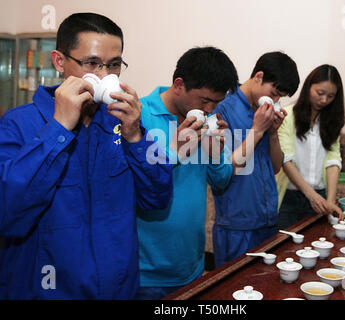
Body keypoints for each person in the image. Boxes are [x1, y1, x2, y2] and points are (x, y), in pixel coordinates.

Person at [0, 12, 173, 299]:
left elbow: (158, 197)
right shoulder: (18, 124)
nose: (105, 76)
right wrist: (58, 128)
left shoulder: (123, 124)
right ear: (59, 61)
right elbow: (8, 213)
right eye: (92, 63)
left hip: (117, 289)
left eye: (114, 65)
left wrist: (135, 137)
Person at [135, 46, 241, 300]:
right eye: (205, 101)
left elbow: (222, 181)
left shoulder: (208, 121)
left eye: (216, 103)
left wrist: (215, 151)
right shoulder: (140, 116)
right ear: (179, 85)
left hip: (192, 266)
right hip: (144, 272)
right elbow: (135, 183)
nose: (210, 109)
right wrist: (176, 148)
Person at [211, 52, 300, 267]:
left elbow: (276, 167)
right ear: (258, 76)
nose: (276, 100)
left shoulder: (264, 112)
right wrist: (257, 129)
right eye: (274, 92)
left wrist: (271, 133)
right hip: (237, 225)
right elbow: (225, 168)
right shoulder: (223, 107)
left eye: (281, 96)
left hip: (267, 220)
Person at [277, 64, 345, 230]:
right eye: (320, 93)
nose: (324, 100)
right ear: (308, 87)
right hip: (290, 197)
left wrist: (329, 200)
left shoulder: (332, 120)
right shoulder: (286, 116)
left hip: (320, 196)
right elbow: (286, 160)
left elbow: (333, 160)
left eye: (331, 96)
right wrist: (311, 196)